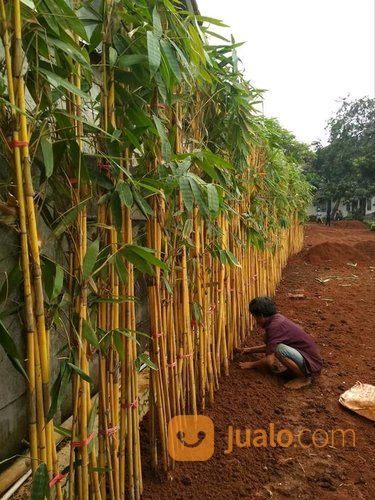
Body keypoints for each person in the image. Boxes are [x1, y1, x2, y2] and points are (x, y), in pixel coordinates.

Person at [238, 297, 323, 389]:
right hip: (307, 357)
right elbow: (271, 346)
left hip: (311, 362)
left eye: (255, 317)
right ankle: (297, 371)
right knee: (276, 346)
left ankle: (303, 378)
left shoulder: (274, 327)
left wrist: (251, 364)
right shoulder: (276, 319)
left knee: (280, 350)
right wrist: (248, 350)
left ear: (261, 316)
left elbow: (269, 361)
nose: (256, 321)